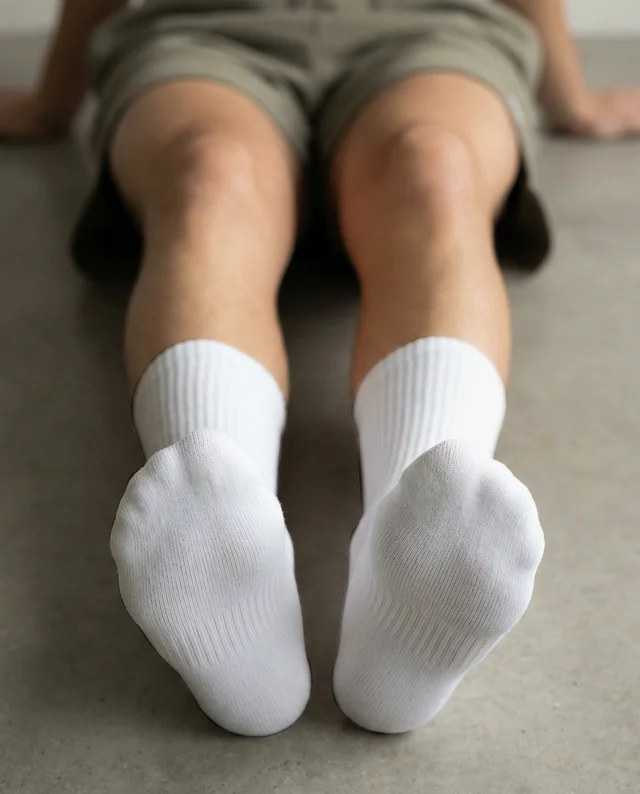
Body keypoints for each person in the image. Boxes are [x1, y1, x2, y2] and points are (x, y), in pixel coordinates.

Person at [1, 0, 639, 739]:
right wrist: (54, 99)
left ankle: (414, 553)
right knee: (210, 175)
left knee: (434, 170)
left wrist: (574, 99)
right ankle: (222, 558)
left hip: (430, 24)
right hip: (201, 26)